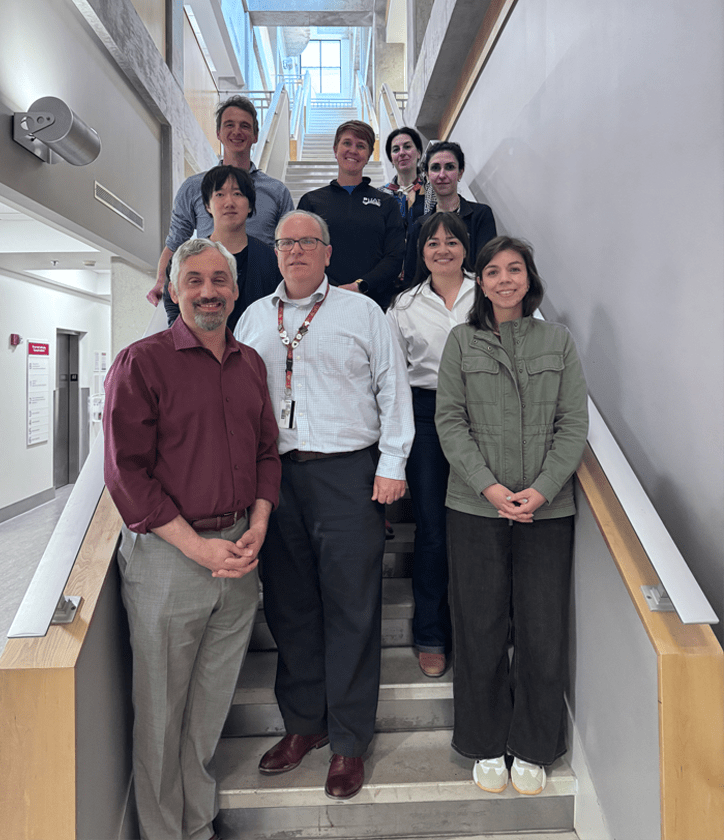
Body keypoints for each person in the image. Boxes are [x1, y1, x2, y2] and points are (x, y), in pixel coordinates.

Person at [104, 238, 281, 840]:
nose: (209, 292)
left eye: (220, 281)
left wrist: (256, 527)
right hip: (170, 559)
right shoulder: (141, 362)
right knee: (160, 713)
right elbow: (127, 473)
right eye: (195, 281)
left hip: (239, 553)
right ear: (175, 291)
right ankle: (162, 832)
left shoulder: (250, 363)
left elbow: (265, 453)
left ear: (235, 290)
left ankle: (198, 824)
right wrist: (198, 548)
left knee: (208, 712)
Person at [235, 210, 414, 800]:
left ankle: (349, 741)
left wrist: (392, 465)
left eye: (307, 242)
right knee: (289, 607)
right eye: (286, 243)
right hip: (276, 479)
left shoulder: (364, 313)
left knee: (351, 608)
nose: (295, 251)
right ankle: (304, 726)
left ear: (328, 253)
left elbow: (393, 389)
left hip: (348, 475)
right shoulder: (254, 318)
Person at [435, 236, 588, 797]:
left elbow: (573, 425)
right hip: (475, 507)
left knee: (542, 630)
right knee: (478, 626)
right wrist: (492, 488)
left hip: (547, 513)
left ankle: (534, 744)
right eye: (493, 271)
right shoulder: (462, 341)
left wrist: (542, 490)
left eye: (514, 269)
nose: (504, 279)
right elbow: (450, 421)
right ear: (481, 281)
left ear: (529, 278)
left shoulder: (559, 341)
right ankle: (482, 742)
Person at [386, 212, 475, 678]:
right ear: (420, 252)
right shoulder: (402, 307)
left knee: (481, 528)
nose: (442, 249)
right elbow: (393, 381)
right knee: (433, 529)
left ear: (465, 247)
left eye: (452, 241)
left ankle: (479, 632)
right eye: (432, 243)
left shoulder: (489, 294)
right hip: (425, 415)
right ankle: (431, 633)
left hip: (484, 416)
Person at [147, 95, 293, 304]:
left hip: (263, 292)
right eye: (229, 125)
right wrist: (161, 282)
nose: (237, 131)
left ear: (255, 135)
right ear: (218, 133)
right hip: (211, 292)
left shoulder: (276, 191)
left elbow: (288, 246)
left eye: (245, 126)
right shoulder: (193, 188)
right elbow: (175, 242)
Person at [297, 119, 405, 310]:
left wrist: (361, 286)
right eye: (347, 143)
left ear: (369, 155)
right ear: (335, 149)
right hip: (322, 301)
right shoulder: (311, 201)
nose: (353, 150)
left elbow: (394, 256)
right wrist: (330, 289)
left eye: (361, 146)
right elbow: (304, 252)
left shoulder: (387, 203)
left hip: (374, 303)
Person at [162, 164, 281, 331]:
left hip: (255, 352)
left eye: (238, 194)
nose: (229, 202)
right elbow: (173, 307)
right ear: (207, 206)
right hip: (198, 352)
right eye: (219, 194)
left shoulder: (272, 260)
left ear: (250, 206)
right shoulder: (184, 258)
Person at [405, 140, 497, 282]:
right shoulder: (419, 227)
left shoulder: (481, 216)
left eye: (449, 167)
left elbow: (487, 267)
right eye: (435, 168)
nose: (442, 175)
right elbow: (412, 279)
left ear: (460, 173)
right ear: (427, 176)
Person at [380, 127, 426, 233]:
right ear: (391, 159)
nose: (402, 153)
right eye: (396, 149)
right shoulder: (380, 196)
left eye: (407, 147)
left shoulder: (433, 192)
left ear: (419, 153)